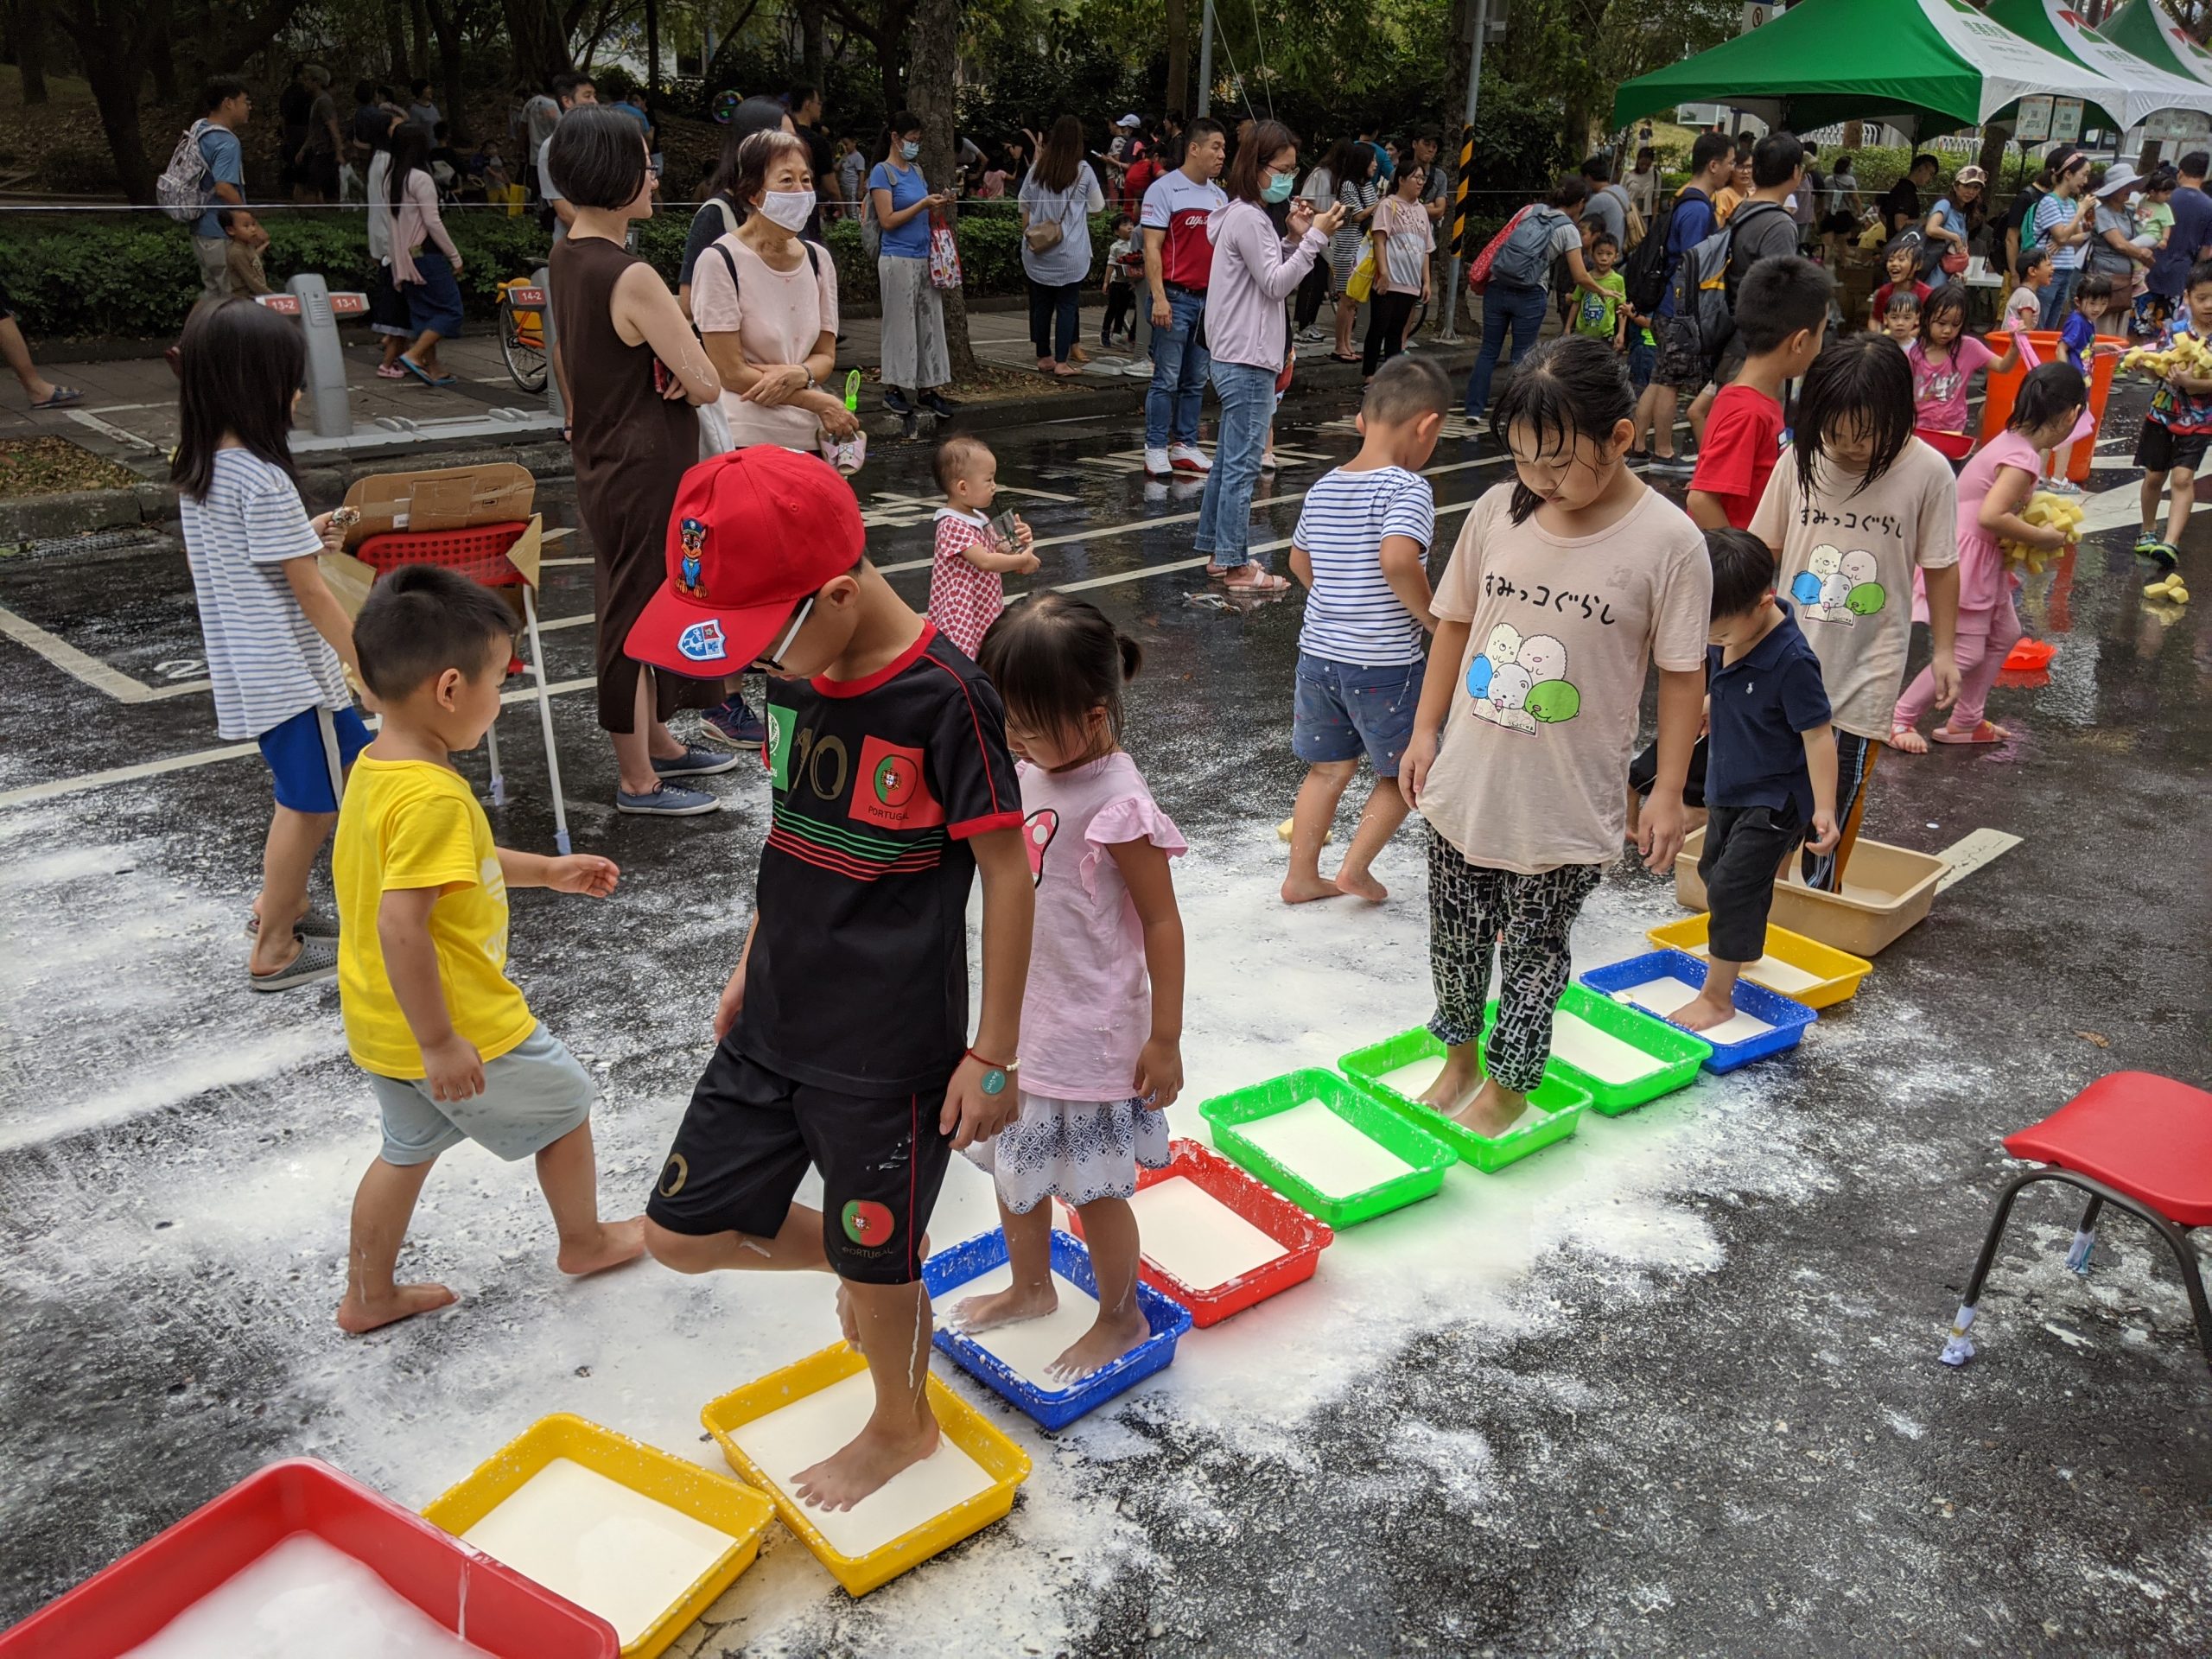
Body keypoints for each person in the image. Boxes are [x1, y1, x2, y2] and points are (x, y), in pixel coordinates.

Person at [635, 445, 1033, 1513]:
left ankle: (902, 1422)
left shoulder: (949, 699)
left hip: (889, 1050)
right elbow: (791, 836)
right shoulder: (795, 679)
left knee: (881, 1257)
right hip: (772, 1014)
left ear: (842, 594)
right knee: (679, 1233)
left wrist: (992, 1053)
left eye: (763, 639)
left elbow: (1008, 875)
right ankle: (874, 1275)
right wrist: (745, 959)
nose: (747, 668)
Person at [1400, 335, 1709, 1135]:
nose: (1541, 480)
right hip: (1468, 778)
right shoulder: (1499, 510)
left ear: (1620, 438)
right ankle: (1460, 1056)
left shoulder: (1670, 545)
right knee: (1457, 936)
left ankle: (1510, 1084)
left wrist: (1669, 790)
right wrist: (1425, 732)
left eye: (1561, 463)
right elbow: (1454, 625)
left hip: (1568, 798)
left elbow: (1682, 677)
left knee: (1536, 950)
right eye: (1524, 459)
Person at [331, 565, 643, 1333]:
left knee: (405, 1150)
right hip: (459, 1022)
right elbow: (403, 924)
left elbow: (455, 867)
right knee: (566, 1105)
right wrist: (442, 1042)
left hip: (380, 1022)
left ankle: (368, 1295)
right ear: (448, 690)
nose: (499, 700)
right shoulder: (436, 795)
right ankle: (585, 1240)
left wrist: (548, 871)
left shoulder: (380, 770)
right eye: (498, 681)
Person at [954, 594, 1185, 1380]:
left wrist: (1165, 1038)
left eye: (1028, 722)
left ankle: (1121, 1315)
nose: (1012, 738)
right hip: (1028, 1030)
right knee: (1015, 1175)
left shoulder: (1118, 802)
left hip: (1093, 1037)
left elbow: (1161, 923)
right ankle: (1030, 1288)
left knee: (1093, 1195)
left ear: (1091, 716)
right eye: (1005, 720)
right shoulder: (1029, 770)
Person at [170, 299, 365, 992]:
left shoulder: (199, 470)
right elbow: (311, 591)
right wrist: (367, 666)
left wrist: (301, 538)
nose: (298, 394)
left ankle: (284, 907)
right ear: (253, 384)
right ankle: (275, 943)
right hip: (296, 676)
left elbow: (226, 565)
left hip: (254, 669)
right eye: (288, 378)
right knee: (310, 802)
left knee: (348, 782)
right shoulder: (263, 476)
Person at [547, 105, 734, 816]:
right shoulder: (632, 275)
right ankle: (637, 778)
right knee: (633, 609)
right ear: (617, 175)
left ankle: (658, 739)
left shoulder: (569, 255)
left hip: (605, 455)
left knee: (641, 597)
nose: (654, 176)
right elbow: (708, 379)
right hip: (646, 461)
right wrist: (679, 366)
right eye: (645, 162)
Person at [1749, 332, 1959, 893]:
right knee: (1769, 791)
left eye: (1863, 434)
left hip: (1867, 666)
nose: (1846, 447)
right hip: (1785, 660)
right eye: (1834, 432)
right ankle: (1762, 899)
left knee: (1835, 798)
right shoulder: (1801, 461)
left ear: (1897, 412)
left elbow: (1940, 565)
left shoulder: (1928, 473)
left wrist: (1943, 651)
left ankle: (1822, 897)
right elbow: (1759, 554)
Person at [1282, 356, 1447, 906]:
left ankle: (1302, 876)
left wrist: (1337, 600)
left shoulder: (1326, 484)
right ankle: (1355, 868)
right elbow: (1400, 559)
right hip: (1384, 663)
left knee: (1327, 768)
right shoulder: (1408, 488)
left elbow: (1298, 561)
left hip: (1319, 653)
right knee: (1404, 771)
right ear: (1427, 426)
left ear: (1361, 421)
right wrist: (1429, 617)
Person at [1671, 529, 1840, 1035]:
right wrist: (1710, 705)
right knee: (1712, 869)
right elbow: (1730, 683)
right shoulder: (1734, 625)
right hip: (1731, 782)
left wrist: (1824, 808)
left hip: (1775, 797)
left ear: (1764, 601)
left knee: (1733, 886)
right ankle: (1741, 946)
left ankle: (1717, 997)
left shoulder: (1792, 661)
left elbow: (1819, 736)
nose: (1716, 645)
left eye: (1720, 636)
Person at [1892, 362, 2084, 755]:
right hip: (1969, 558)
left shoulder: (2014, 440)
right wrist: (2043, 538)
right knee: (1964, 651)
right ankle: (1899, 717)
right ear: (2071, 417)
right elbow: (1991, 515)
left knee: (2005, 633)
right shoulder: (2023, 460)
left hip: (1978, 556)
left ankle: (1966, 719)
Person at [1192, 120, 1340, 594]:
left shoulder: (1242, 215)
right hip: (1248, 358)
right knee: (1241, 464)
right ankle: (1235, 565)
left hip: (1236, 353)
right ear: (1256, 168)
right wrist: (1314, 238)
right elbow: (1276, 283)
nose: (1289, 181)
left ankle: (1220, 551)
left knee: (1228, 461)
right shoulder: (1250, 218)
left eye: (1293, 171)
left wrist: (1297, 237)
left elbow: (1269, 269)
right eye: (1282, 170)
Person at [690, 128, 852, 456]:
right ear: (753, 193)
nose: (801, 190)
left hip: (810, 435)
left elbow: (825, 356)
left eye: (806, 180)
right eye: (787, 180)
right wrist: (816, 398)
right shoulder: (720, 261)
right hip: (744, 436)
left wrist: (799, 373)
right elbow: (729, 372)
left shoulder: (817, 260)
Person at [1688, 256, 1831, 531]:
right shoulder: (1749, 413)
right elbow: (1701, 499)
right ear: (1800, 342)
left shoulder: (1748, 398)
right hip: (1735, 565)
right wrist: (1745, 568)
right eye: (1821, 334)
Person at [1683, 130, 1807, 446]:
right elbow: (1778, 292)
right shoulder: (1778, 224)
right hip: (1757, 346)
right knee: (1754, 433)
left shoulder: (1744, 209)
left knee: (1718, 415)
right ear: (1795, 172)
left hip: (1736, 336)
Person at [1463, 175, 1609, 424]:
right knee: (1521, 356)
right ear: (1580, 202)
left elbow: (1502, 242)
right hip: (1529, 294)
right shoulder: (1567, 229)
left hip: (1498, 286)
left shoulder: (1528, 210)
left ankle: (1473, 410)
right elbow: (1580, 275)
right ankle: (1511, 414)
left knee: (1488, 350)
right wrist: (1603, 290)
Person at [1630, 130, 1734, 475]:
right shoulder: (1696, 209)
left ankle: (1637, 446)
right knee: (1670, 381)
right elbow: (1693, 263)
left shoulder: (1684, 201)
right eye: (1731, 163)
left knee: (1660, 378)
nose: (1732, 170)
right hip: (1677, 310)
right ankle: (1663, 452)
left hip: (1667, 308)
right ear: (1713, 165)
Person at [1139, 115, 1229, 477]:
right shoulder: (1164, 190)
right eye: (1216, 147)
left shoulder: (1219, 196)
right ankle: (1155, 446)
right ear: (1194, 149)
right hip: (1175, 298)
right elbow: (1151, 248)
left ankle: (1186, 444)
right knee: (1167, 377)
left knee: (1196, 377)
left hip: (1208, 300)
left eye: (1224, 148)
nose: (1222, 155)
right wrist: (1159, 298)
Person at [871, 111, 958, 419]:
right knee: (899, 326)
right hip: (897, 257)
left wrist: (937, 205)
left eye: (917, 141)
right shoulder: (882, 173)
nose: (914, 146)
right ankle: (894, 388)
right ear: (895, 138)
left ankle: (927, 388)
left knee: (928, 324)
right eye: (911, 140)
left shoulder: (917, 172)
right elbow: (887, 220)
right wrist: (922, 204)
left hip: (924, 257)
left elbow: (923, 216)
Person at [677, 96, 798, 315]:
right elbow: (690, 300)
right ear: (751, 146)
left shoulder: (792, 212)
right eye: (783, 140)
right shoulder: (717, 213)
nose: (794, 150)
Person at [2131, 258, 2212, 573]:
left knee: (2183, 477)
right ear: (2188, 297)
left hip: (2201, 420)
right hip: (2162, 413)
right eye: (2202, 298)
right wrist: (2146, 365)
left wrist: (2194, 384)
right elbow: (2158, 373)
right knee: (2154, 476)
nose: (2209, 305)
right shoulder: (2174, 330)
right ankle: (2147, 531)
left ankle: (2171, 542)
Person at [928, 435, 1039, 657]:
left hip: (981, 606)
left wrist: (1020, 542)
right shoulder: (951, 524)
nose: (994, 486)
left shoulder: (977, 516)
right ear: (963, 487)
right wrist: (1023, 560)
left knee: (985, 654)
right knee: (963, 659)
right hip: (960, 611)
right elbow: (985, 560)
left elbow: (999, 550)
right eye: (988, 480)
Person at [1019, 116, 1106, 378]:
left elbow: (1024, 203)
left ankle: (1043, 356)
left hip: (1037, 251)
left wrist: (1029, 230)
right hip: (1070, 252)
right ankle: (1062, 362)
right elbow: (1098, 207)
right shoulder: (1083, 171)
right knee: (1067, 305)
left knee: (1042, 304)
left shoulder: (1038, 168)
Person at [386, 124, 465, 389]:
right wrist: (454, 255)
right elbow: (432, 221)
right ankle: (413, 354)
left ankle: (433, 368)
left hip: (404, 256)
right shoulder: (420, 178)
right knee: (451, 311)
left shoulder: (392, 177)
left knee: (424, 314)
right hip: (426, 252)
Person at [1908, 284, 2017, 443]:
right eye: (1941, 323)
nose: (1947, 330)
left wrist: (2015, 347)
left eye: (1955, 325)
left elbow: (2003, 367)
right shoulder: (1913, 351)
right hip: (1918, 430)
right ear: (1926, 318)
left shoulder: (1969, 347)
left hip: (1952, 430)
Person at [1363, 161, 1433, 378]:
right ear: (1401, 180)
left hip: (1410, 283)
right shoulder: (1388, 205)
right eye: (1416, 177)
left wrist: (1427, 281)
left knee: (1397, 332)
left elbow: (1426, 249)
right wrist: (1384, 273)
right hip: (1389, 280)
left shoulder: (1422, 210)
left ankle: (1391, 378)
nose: (1420, 182)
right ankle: (1369, 376)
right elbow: (1379, 240)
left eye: (1422, 178)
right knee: (1379, 327)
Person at [185, 78, 251, 304]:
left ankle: (195, 339)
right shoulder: (227, 142)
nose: (248, 107)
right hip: (222, 230)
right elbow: (224, 188)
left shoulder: (200, 128)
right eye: (244, 101)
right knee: (231, 299)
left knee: (211, 296)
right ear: (228, 103)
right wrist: (250, 222)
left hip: (201, 229)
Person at [1323, 139, 1379, 362]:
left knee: (1354, 299)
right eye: (1372, 160)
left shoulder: (1367, 185)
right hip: (1348, 247)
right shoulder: (1348, 185)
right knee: (1346, 299)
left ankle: (1348, 344)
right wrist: (1380, 204)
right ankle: (1340, 346)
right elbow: (1356, 216)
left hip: (1363, 247)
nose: (1375, 164)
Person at [2145, 150, 2212, 326]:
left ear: (2180, 172)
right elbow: (2206, 251)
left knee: (2140, 323)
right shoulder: (2209, 206)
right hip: (2181, 275)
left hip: (2149, 266)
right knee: (2168, 328)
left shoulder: (2163, 199)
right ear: (2204, 176)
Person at [2031, 150, 2095, 329]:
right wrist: (2080, 212)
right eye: (2084, 174)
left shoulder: (2072, 203)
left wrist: (2062, 241)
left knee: (2052, 324)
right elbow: (2061, 234)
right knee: (2040, 324)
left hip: (2066, 269)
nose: (2085, 181)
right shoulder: (2050, 202)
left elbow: (2080, 236)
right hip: (2049, 270)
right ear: (2068, 174)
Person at [538, 72, 599, 246]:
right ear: (567, 101)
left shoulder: (599, 141)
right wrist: (597, 240)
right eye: (587, 96)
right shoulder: (553, 148)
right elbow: (564, 211)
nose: (594, 102)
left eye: (595, 95)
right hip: (574, 245)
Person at [2087, 162, 2153, 291]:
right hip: (2104, 278)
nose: (2129, 189)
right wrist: (2141, 254)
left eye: (2131, 185)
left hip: (2127, 277)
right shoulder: (2103, 212)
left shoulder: (2130, 211)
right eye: (2124, 186)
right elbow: (2120, 244)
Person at [1921, 165, 1984, 275]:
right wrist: (1955, 238)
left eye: (1976, 188)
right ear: (1955, 186)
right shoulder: (1945, 204)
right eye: (1966, 186)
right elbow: (1931, 229)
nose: (1971, 191)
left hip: (1951, 272)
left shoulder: (1965, 211)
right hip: (1934, 269)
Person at [295, 65, 344, 204]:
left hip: (324, 151)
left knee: (313, 187)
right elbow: (313, 131)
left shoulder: (324, 102)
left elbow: (333, 128)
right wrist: (303, 150)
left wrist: (339, 152)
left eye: (307, 80)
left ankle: (311, 217)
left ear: (316, 82)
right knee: (312, 185)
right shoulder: (316, 101)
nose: (304, 83)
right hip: (316, 149)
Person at [1573, 232, 1627, 350]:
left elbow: (1622, 308)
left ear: (1616, 256)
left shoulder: (1618, 280)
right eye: (1600, 253)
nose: (1604, 258)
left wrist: (1621, 333)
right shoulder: (1585, 278)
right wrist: (1568, 327)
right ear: (1592, 255)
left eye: (1609, 254)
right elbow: (1576, 302)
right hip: (1582, 334)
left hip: (1605, 335)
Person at [1868, 232, 1931, 329]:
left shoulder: (1927, 294)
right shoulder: (1883, 292)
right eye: (1891, 260)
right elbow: (1875, 319)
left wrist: (1904, 338)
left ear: (1918, 265)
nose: (1894, 264)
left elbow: (1928, 326)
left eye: (1901, 259)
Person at [277, 62, 315, 200]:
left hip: (291, 131)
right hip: (302, 131)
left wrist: (285, 134)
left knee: (296, 164)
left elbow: (282, 117)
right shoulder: (305, 93)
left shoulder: (287, 93)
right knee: (303, 166)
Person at [1102, 212, 1140, 347]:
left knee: (1123, 308)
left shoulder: (1137, 243)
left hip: (1129, 282)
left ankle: (1117, 333)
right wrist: (1106, 282)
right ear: (1117, 232)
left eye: (1131, 224)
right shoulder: (1116, 247)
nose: (1130, 227)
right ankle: (1105, 332)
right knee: (1113, 308)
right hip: (1117, 282)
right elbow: (1110, 264)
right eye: (1125, 225)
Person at [218, 207, 271, 297]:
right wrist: (273, 296)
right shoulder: (236, 253)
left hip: (254, 296)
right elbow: (251, 280)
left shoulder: (248, 245)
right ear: (231, 230)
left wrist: (263, 247)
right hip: (245, 299)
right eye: (246, 226)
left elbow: (252, 259)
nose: (253, 229)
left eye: (253, 224)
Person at [1883, 152, 1938, 237]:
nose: (1930, 179)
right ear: (1921, 168)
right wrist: (1924, 221)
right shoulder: (1905, 192)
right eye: (1930, 174)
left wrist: (1890, 230)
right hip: (1901, 245)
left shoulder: (1900, 188)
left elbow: (1882, 213)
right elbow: (1900, 225)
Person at [1820, 152, 1860, 264]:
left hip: (1829, 214)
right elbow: (1855, 198)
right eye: (1851, 166)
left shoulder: (1828, 179)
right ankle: (1843, 265)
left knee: (1827, 245)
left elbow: (1824, 197)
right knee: (1842, 244)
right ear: (1847, 168)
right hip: (1843, 215)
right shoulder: (1850, 180)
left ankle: (1823, 266)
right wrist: (1860, 211)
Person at [1580, 155, 1625, 250]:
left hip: (1605, 253)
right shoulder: (1620, 190)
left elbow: (1581, 227)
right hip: (1621, 251)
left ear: (1588, 177)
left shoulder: (1599, 200)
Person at [2006, 247, 2051, 334]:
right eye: (2049, 265)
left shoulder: (2023, 292)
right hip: (2015, 345)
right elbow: (2026, 332)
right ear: (2032, 271)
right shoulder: (2027, 296)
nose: (2053, 268)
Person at [1713, 145, 1752, 228]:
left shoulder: (1753, 196)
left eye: (1749, 167)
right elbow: (1719, 229)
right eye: (1740, 167)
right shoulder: (1723, 196)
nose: (1745, 172)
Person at [1625, 144, 1660, 223]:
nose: (1644, 167)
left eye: (1648, 165)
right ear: (1637, 161)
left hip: (1645, 217)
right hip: (1629, 216)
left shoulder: (1656, 175)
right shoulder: (1628, 175)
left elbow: (1656, 199)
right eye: (1642, 164)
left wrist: (1654, 221)